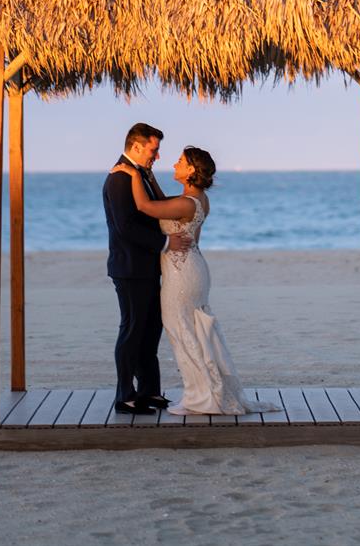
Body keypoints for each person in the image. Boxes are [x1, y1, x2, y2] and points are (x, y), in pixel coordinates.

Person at [111, 146, 277, 416]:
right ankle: (204, 389)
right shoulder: (195, 198)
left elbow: (144, 206)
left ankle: (201, 395)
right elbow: (167, 204)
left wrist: (132, 174)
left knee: (182, 332)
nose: (174, 163)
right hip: (193, 268)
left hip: (182, 275)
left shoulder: (186, 203)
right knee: (195, 330)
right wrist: (148, 177)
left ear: (191, 171)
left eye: (180, 161)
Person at [102, 123, 191, 415]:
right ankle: (125, 396)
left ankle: (149, 391)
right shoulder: (119, 178)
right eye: (154, 149)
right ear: (137, 146)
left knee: (150, 329)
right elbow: (125, 227)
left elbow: (157, 206)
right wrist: (166, 243)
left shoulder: (142, 174)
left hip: (148, 267)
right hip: (129, 268)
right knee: (132, 330)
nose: (157, 155)